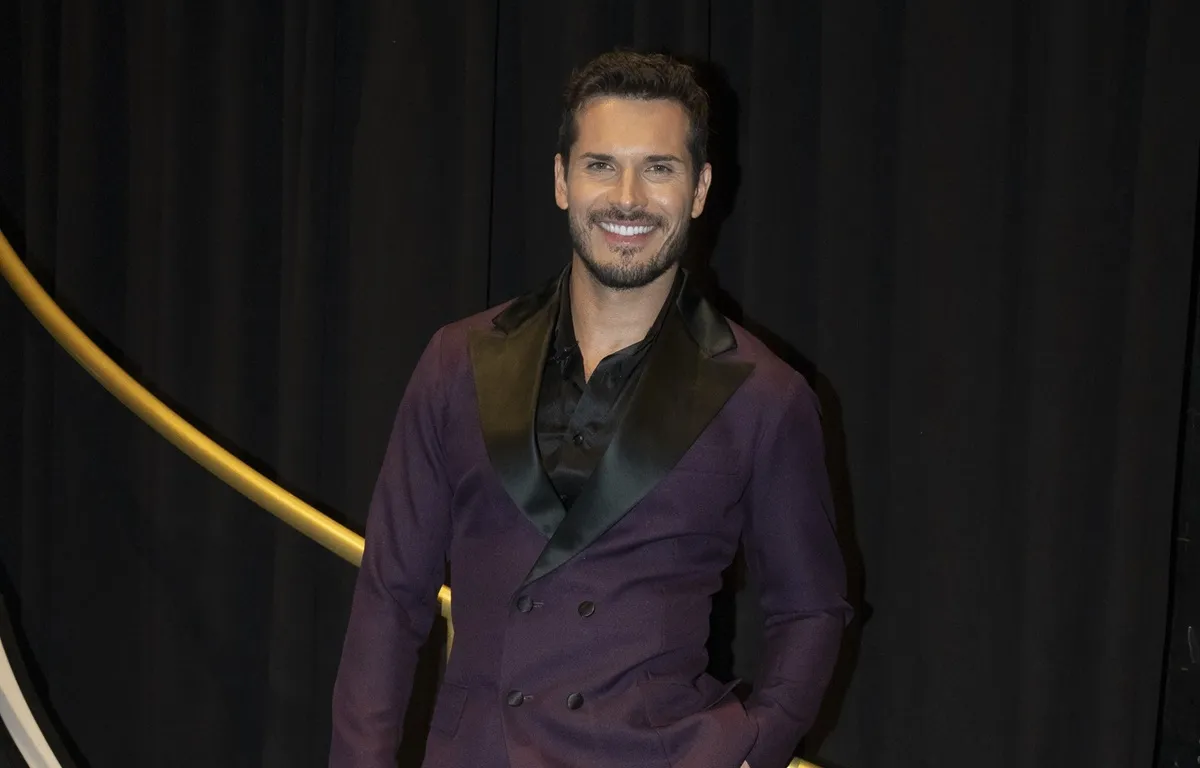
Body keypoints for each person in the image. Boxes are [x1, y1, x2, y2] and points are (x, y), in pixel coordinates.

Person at [329, 50, 851, 768]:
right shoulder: (456, 362)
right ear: (561, 180)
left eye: (658, 168)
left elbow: (812, 608)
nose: (628, 198)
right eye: (601, 165)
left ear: (700, 188)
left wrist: (751, 748)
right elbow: (390, 596)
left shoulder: (766, 396)